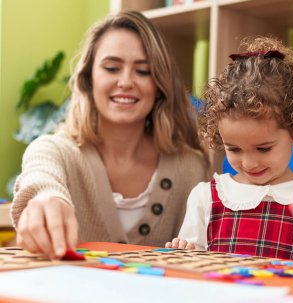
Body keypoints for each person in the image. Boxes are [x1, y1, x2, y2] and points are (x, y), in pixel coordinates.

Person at [11, 10, 211, 259]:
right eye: (112, 68)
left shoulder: (190, 167)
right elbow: (41, 178)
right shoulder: (54, 150)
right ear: (88, 79)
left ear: (159, 86)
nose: (126, 82)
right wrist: (47, 199)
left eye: (143, 71)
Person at [165, 36, 293, 260]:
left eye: (263, 149)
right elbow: (190, 268)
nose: (249, 163)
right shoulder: (206, 197)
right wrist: (184, 252)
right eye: (234, 149)